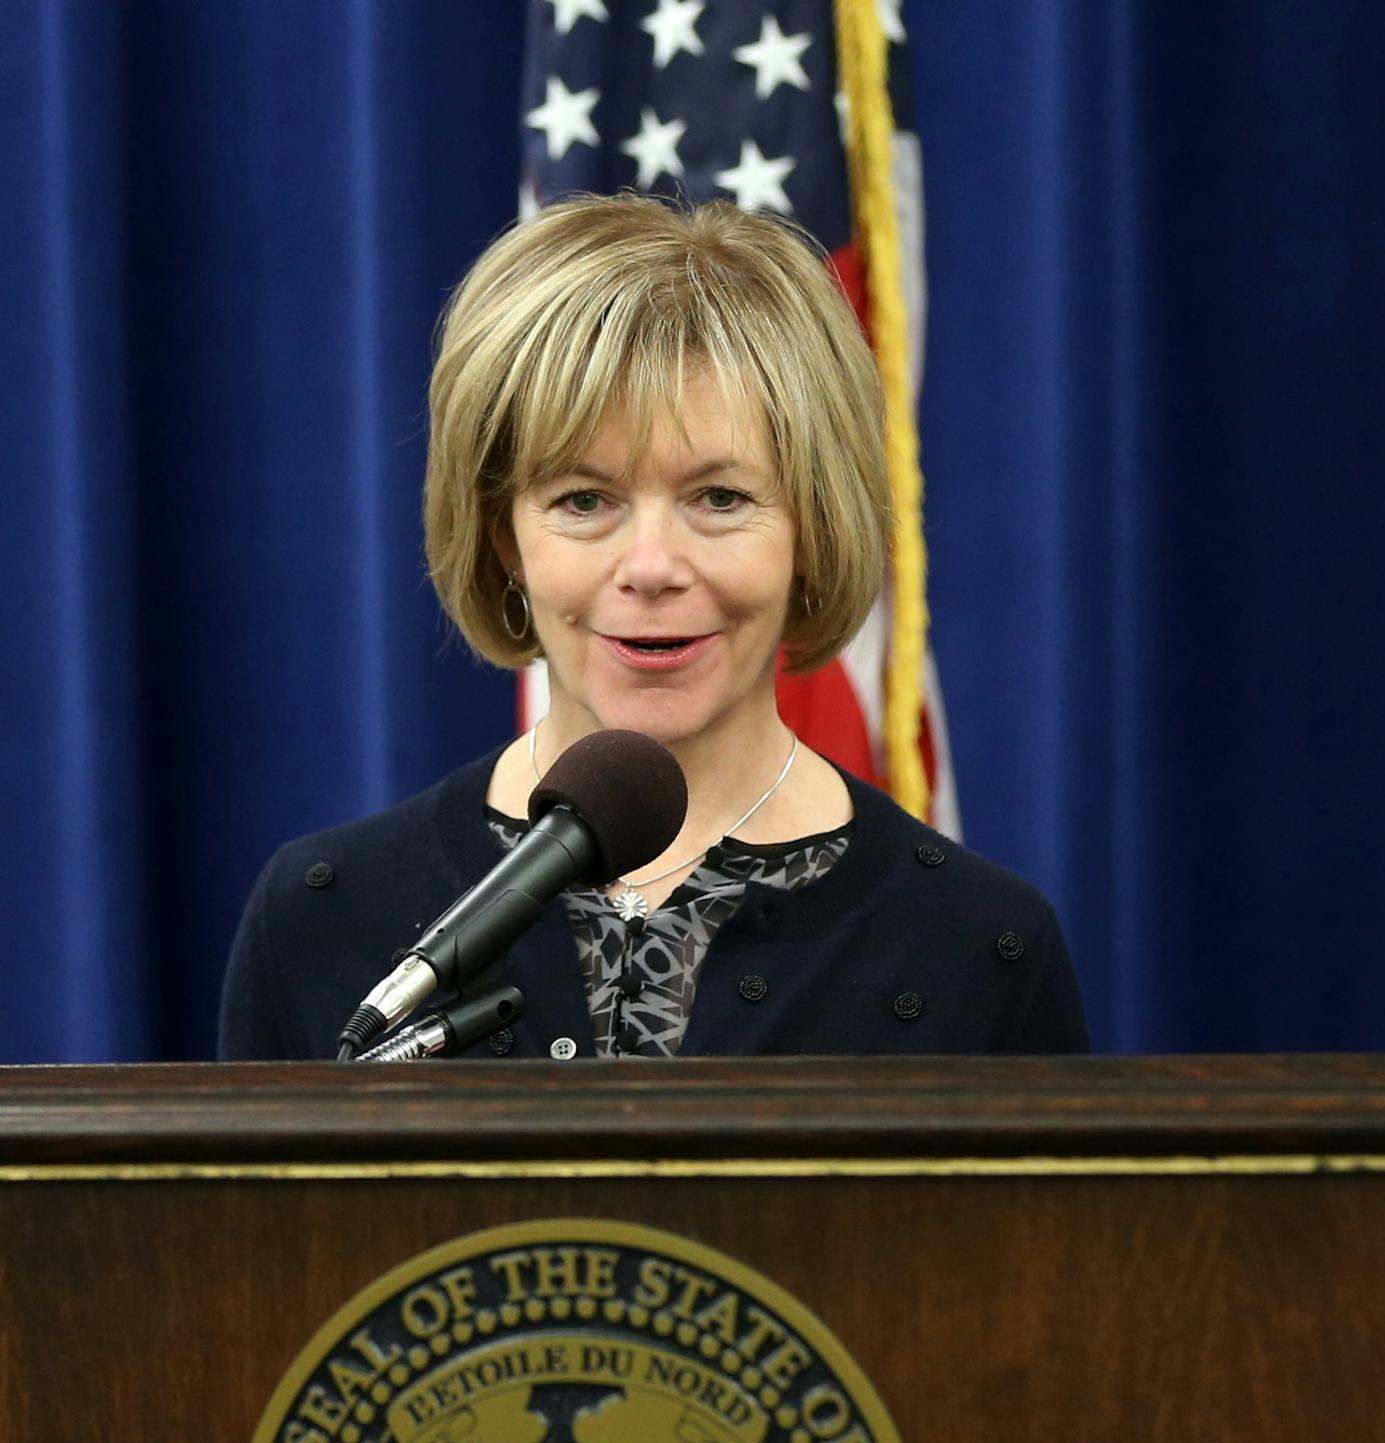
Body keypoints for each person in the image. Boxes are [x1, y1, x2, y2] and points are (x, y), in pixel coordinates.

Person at [221, 194, 1086, 1060]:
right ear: (504, 537)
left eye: (720, 497)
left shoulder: (984, 949)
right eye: (583, 500)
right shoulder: (320, 917)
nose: (651, 565)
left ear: (813, 529)